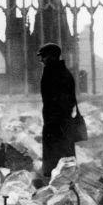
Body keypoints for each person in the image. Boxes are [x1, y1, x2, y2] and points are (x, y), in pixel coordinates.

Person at [38, 43, 77, 178]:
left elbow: (56, 101)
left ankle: (55, 182)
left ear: (51, 57)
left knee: (56, 158)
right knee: (63, 156)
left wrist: (53, 120)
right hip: (61, 123)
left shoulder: (52, 73)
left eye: (43, 56)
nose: (41, 60)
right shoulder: (63, 73)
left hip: (56, 124)